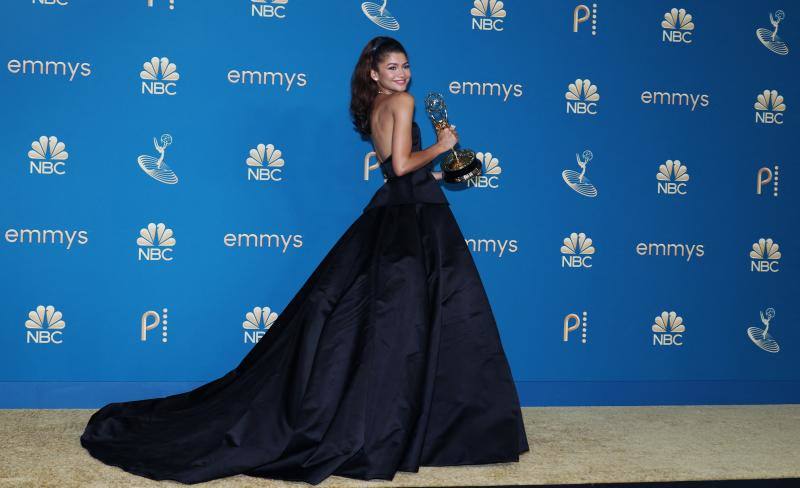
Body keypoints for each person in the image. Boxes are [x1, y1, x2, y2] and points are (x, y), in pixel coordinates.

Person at [80, 35, 529, 485]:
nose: (403, 74)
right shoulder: (404, 102)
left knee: (398, 325)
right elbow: (399, 166)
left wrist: (442, 172)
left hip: (398, 214)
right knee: (430, 320)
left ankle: (402, 423)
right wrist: (443, 144)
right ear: (374, 73)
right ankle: (428, 427)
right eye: (392, 68)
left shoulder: (377, 106)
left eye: (406, 66)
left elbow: (402, 172)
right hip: (412, 224)